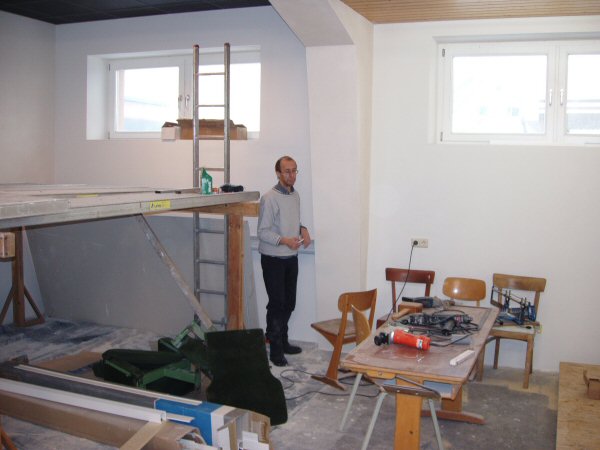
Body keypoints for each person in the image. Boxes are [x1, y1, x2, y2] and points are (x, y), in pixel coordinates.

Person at [258, 156, 312, 366]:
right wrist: (284, 240)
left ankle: (283, 339)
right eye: (287, 171)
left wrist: (302, 229)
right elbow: (262, 232)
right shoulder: (269, 198)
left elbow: (292, 221)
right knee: (277, 304)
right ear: (278, 173)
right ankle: (275, 348)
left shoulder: (295, 195)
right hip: (273, 260)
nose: (292, 175)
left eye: (294, 170)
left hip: (291, 258)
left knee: (289, 303)